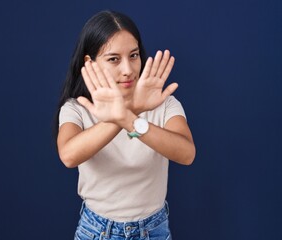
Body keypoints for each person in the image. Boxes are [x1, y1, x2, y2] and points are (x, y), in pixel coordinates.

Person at [54, 10, 195, 240]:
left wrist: (131, 116)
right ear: (90, 63)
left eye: (133, 55)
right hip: (96, 230)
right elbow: (69, 155)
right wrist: (124, 116)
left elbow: (187, 153)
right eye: (113, 59)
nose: (128, 69)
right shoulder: (77, 108)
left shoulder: (163, 103)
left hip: (154, 230)